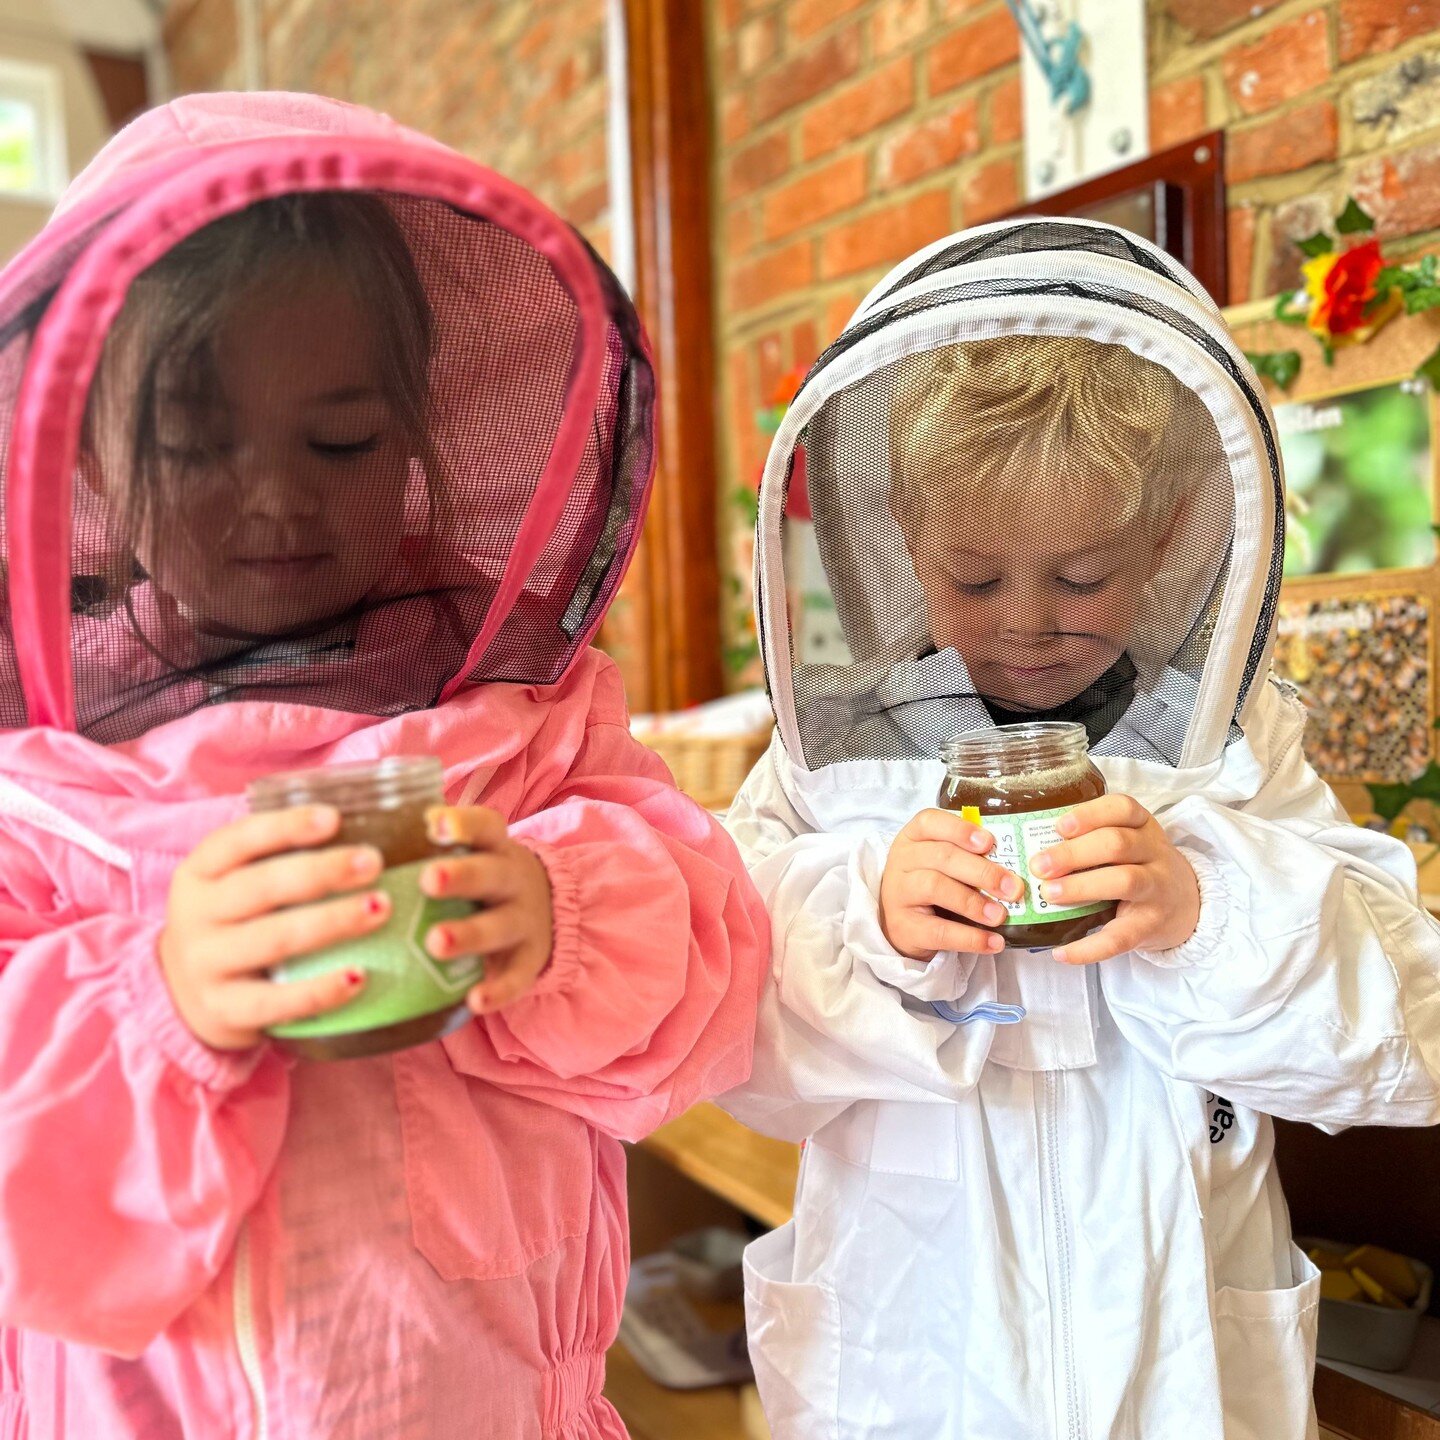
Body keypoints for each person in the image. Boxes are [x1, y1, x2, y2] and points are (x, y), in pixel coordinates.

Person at [0, 92, 767, 1440]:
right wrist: (158, 998)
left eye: (341, 440)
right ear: (97, 472)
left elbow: (713, 973)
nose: (279, 497)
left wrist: (565, 917)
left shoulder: (523, 716)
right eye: (196, 444)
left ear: (418, 441)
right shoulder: (40, 781)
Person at [722, 218, 1440, 1440]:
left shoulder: (1229, 741)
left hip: (1177, 1355)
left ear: (1166, 539)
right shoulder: (834, 765)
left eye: (1084, 575)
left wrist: (1210, 908)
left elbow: (1406, 1034)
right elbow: (727, 1040)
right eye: (977, 575)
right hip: (914, 1353)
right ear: (901, 538)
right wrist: (868, 920)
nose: (1029, 623)